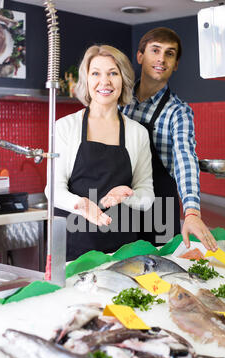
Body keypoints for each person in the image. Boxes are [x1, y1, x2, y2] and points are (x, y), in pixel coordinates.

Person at [45, 45, 154, 261]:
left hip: (123, 250)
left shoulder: (137, 133)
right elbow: (53, 190)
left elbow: (147, 195)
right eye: (96, 73)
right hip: (74, 250)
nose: (104, 81)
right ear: (86, 79)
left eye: (113, 73)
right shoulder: (65, 127)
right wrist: (81, 204)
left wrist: (128, 196)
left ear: (123, 79)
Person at [122, 27, 218, 252]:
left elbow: (186, 159)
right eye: (155, 50)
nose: (161, 59)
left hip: (159, 207)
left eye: (169, 53)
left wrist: (192, 212)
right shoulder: (119, 99)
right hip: (119, 204)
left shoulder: (178, 112)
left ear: (175, 64)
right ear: (140, 56)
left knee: (161, 273)